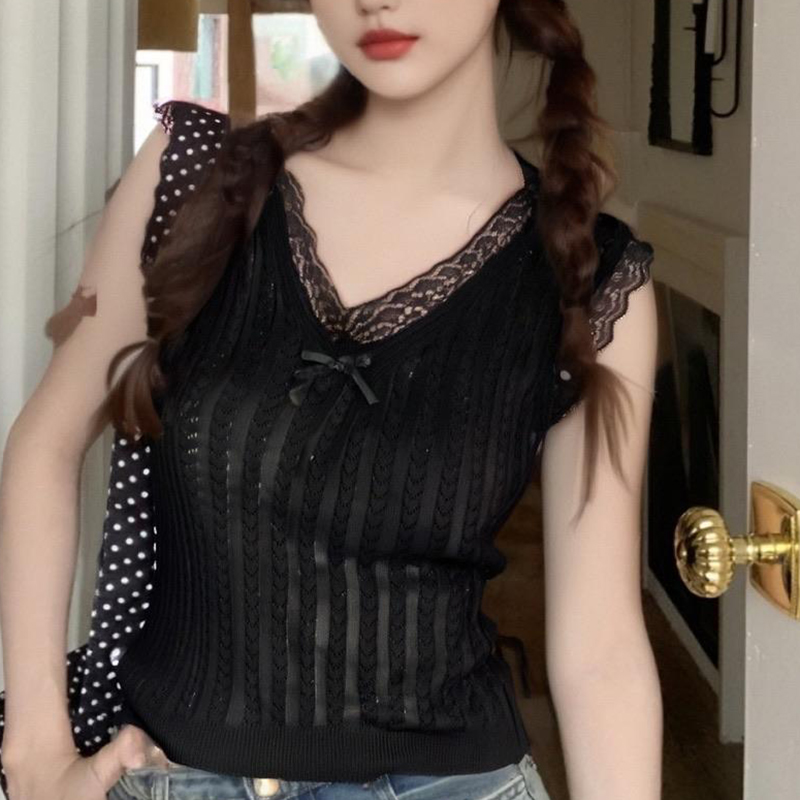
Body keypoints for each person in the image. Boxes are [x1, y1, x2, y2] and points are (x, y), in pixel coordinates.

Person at [0, 0, 663, 799]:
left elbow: (601, 652)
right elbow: (47, 442)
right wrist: (34, 754)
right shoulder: (195, 176)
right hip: (176, 772)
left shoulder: (594, 283)